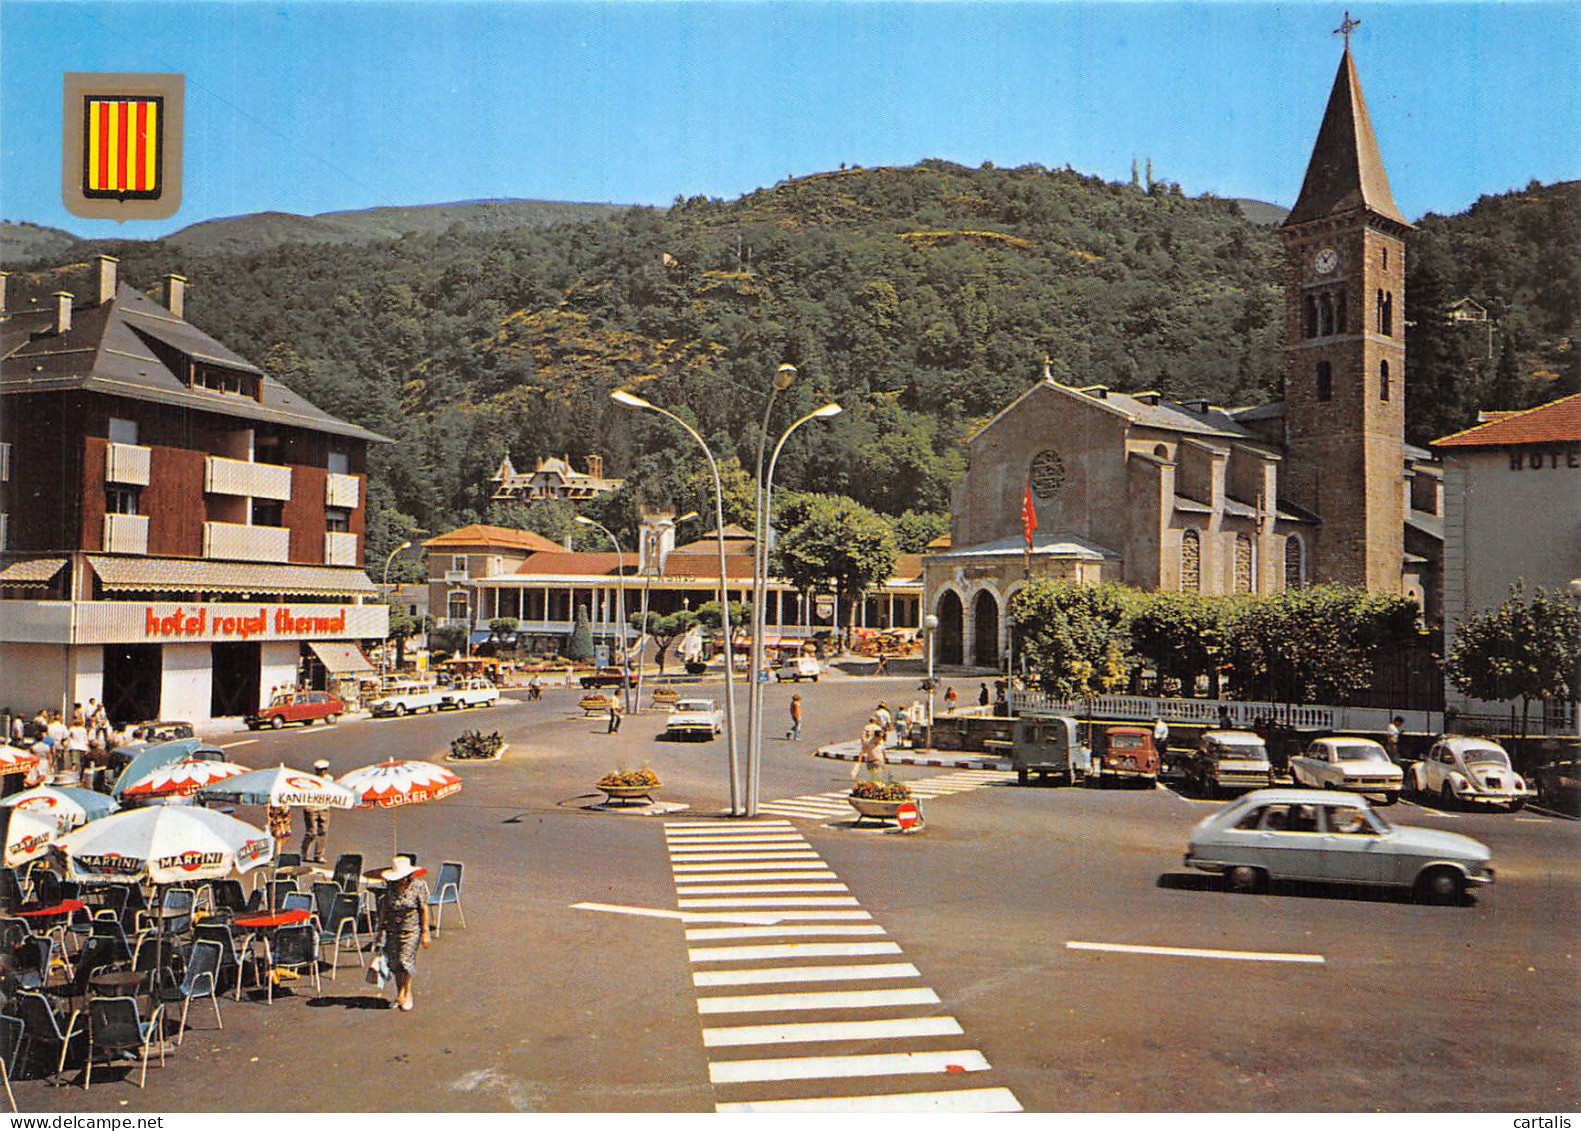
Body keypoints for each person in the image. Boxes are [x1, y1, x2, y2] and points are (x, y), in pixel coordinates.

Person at [376, 856, 431, 1011]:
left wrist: (425, 932)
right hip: (393, 930)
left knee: (405, 961)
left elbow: (424, 909)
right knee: (395, 963)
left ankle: (407, 992)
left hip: (411, 930)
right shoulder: (390, 887)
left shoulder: (418, 886)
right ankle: (399, 992)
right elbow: (384, 909)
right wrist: (380, 930)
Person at [301, 758, 334, 863]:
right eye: (319, 770)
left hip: (324, 808)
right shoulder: (310, 780)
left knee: (323, 832)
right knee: (312, 832)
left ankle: (318, 855)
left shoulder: (329, 779)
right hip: (311, 809)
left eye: (324, 769)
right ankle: (303, 853)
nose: (322, 772)